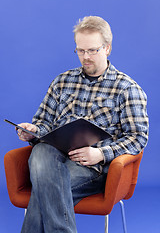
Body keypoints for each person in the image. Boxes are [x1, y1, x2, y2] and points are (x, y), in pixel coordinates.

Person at [17, 16, 149, 233]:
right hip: (53, 157)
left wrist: (102, 154)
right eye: (80, 50)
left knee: (46, 191)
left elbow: (138, 137)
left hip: (92, 167)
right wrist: (33, 131)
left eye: (92, 50)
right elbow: (43, 122)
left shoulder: (127, 88)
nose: (85, 57)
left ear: (107, 48)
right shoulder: (62, 81)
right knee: (40, 150)